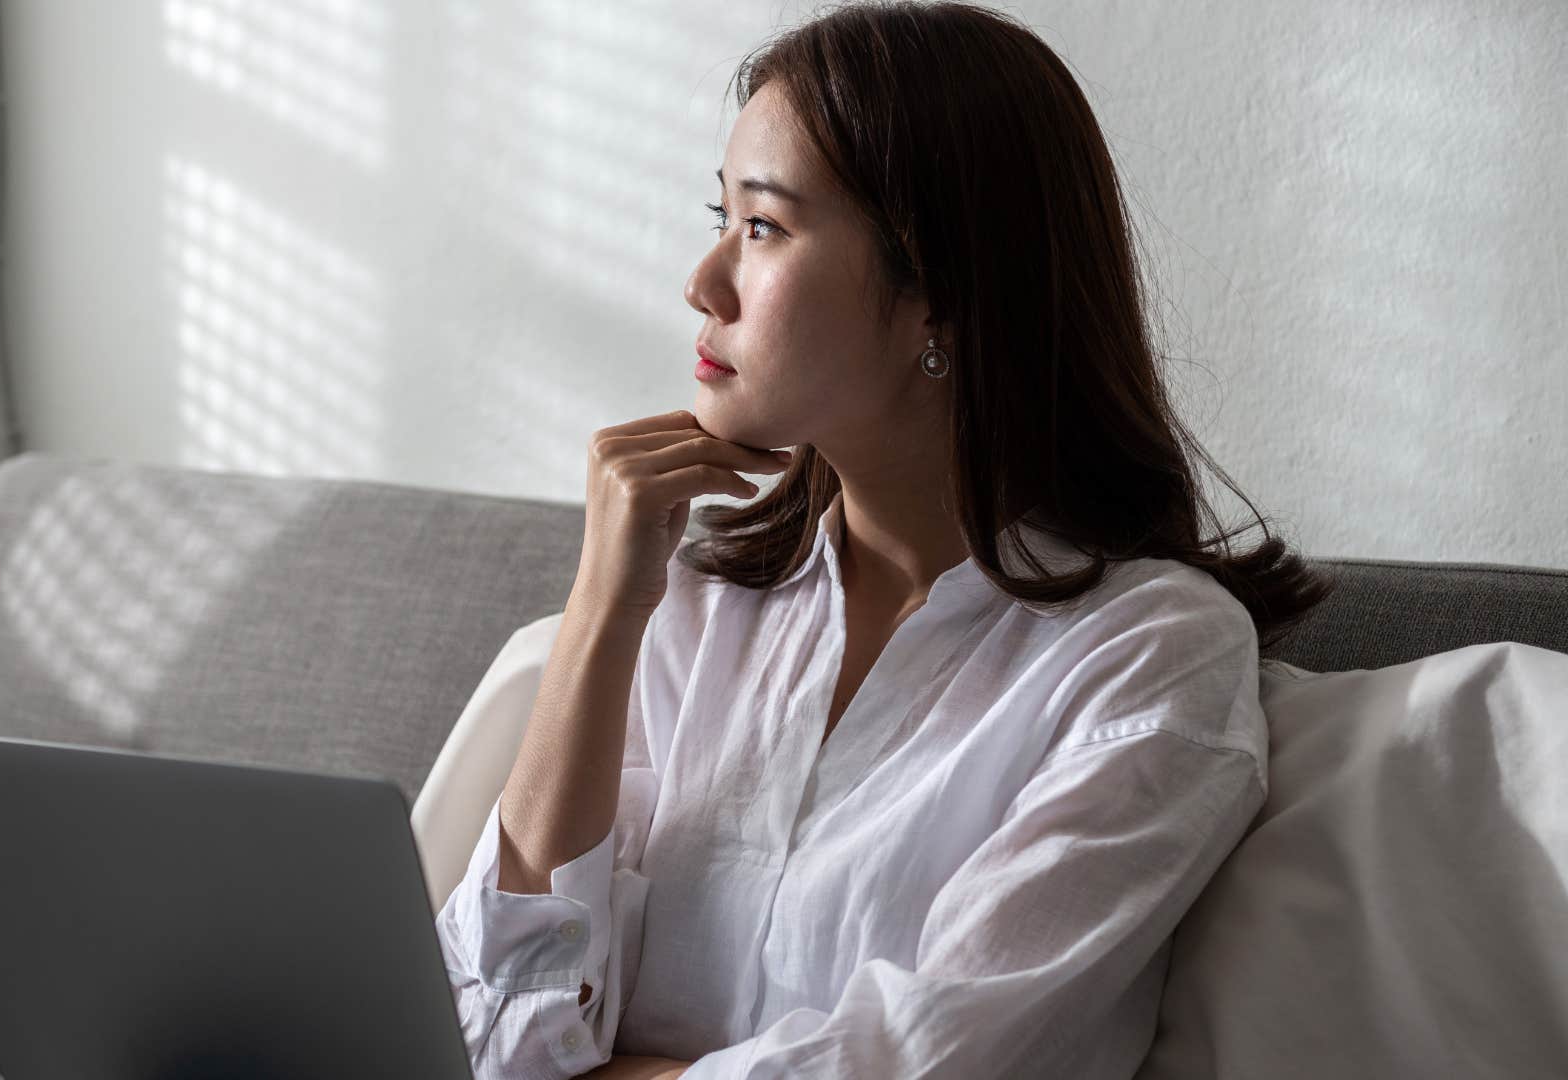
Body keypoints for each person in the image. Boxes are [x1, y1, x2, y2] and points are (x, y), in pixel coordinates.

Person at [434, 2, 1335, 1077]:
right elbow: (490, 1039)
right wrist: (597, 617)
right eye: (719, 217)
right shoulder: (694, 610)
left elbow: (931, 1061)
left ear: (938, 298)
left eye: (762, 228)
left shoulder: (1148, 657)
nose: (702, 282)